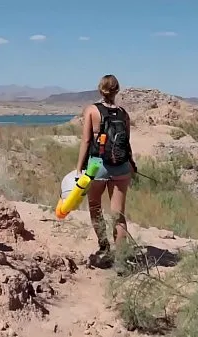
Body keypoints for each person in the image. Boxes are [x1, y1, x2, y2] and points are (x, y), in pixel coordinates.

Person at [75, 74, 137, 267]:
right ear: (117, 90)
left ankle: (104, 247)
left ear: (100, 89)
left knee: (95, 207)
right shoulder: (124, 114)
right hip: (122, 167)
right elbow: (126, 142)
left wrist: (79, 168)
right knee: (119, 214)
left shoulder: (92, 111)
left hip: (98, 166)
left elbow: (86, 141)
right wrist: (132, 163)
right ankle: (120, 260)